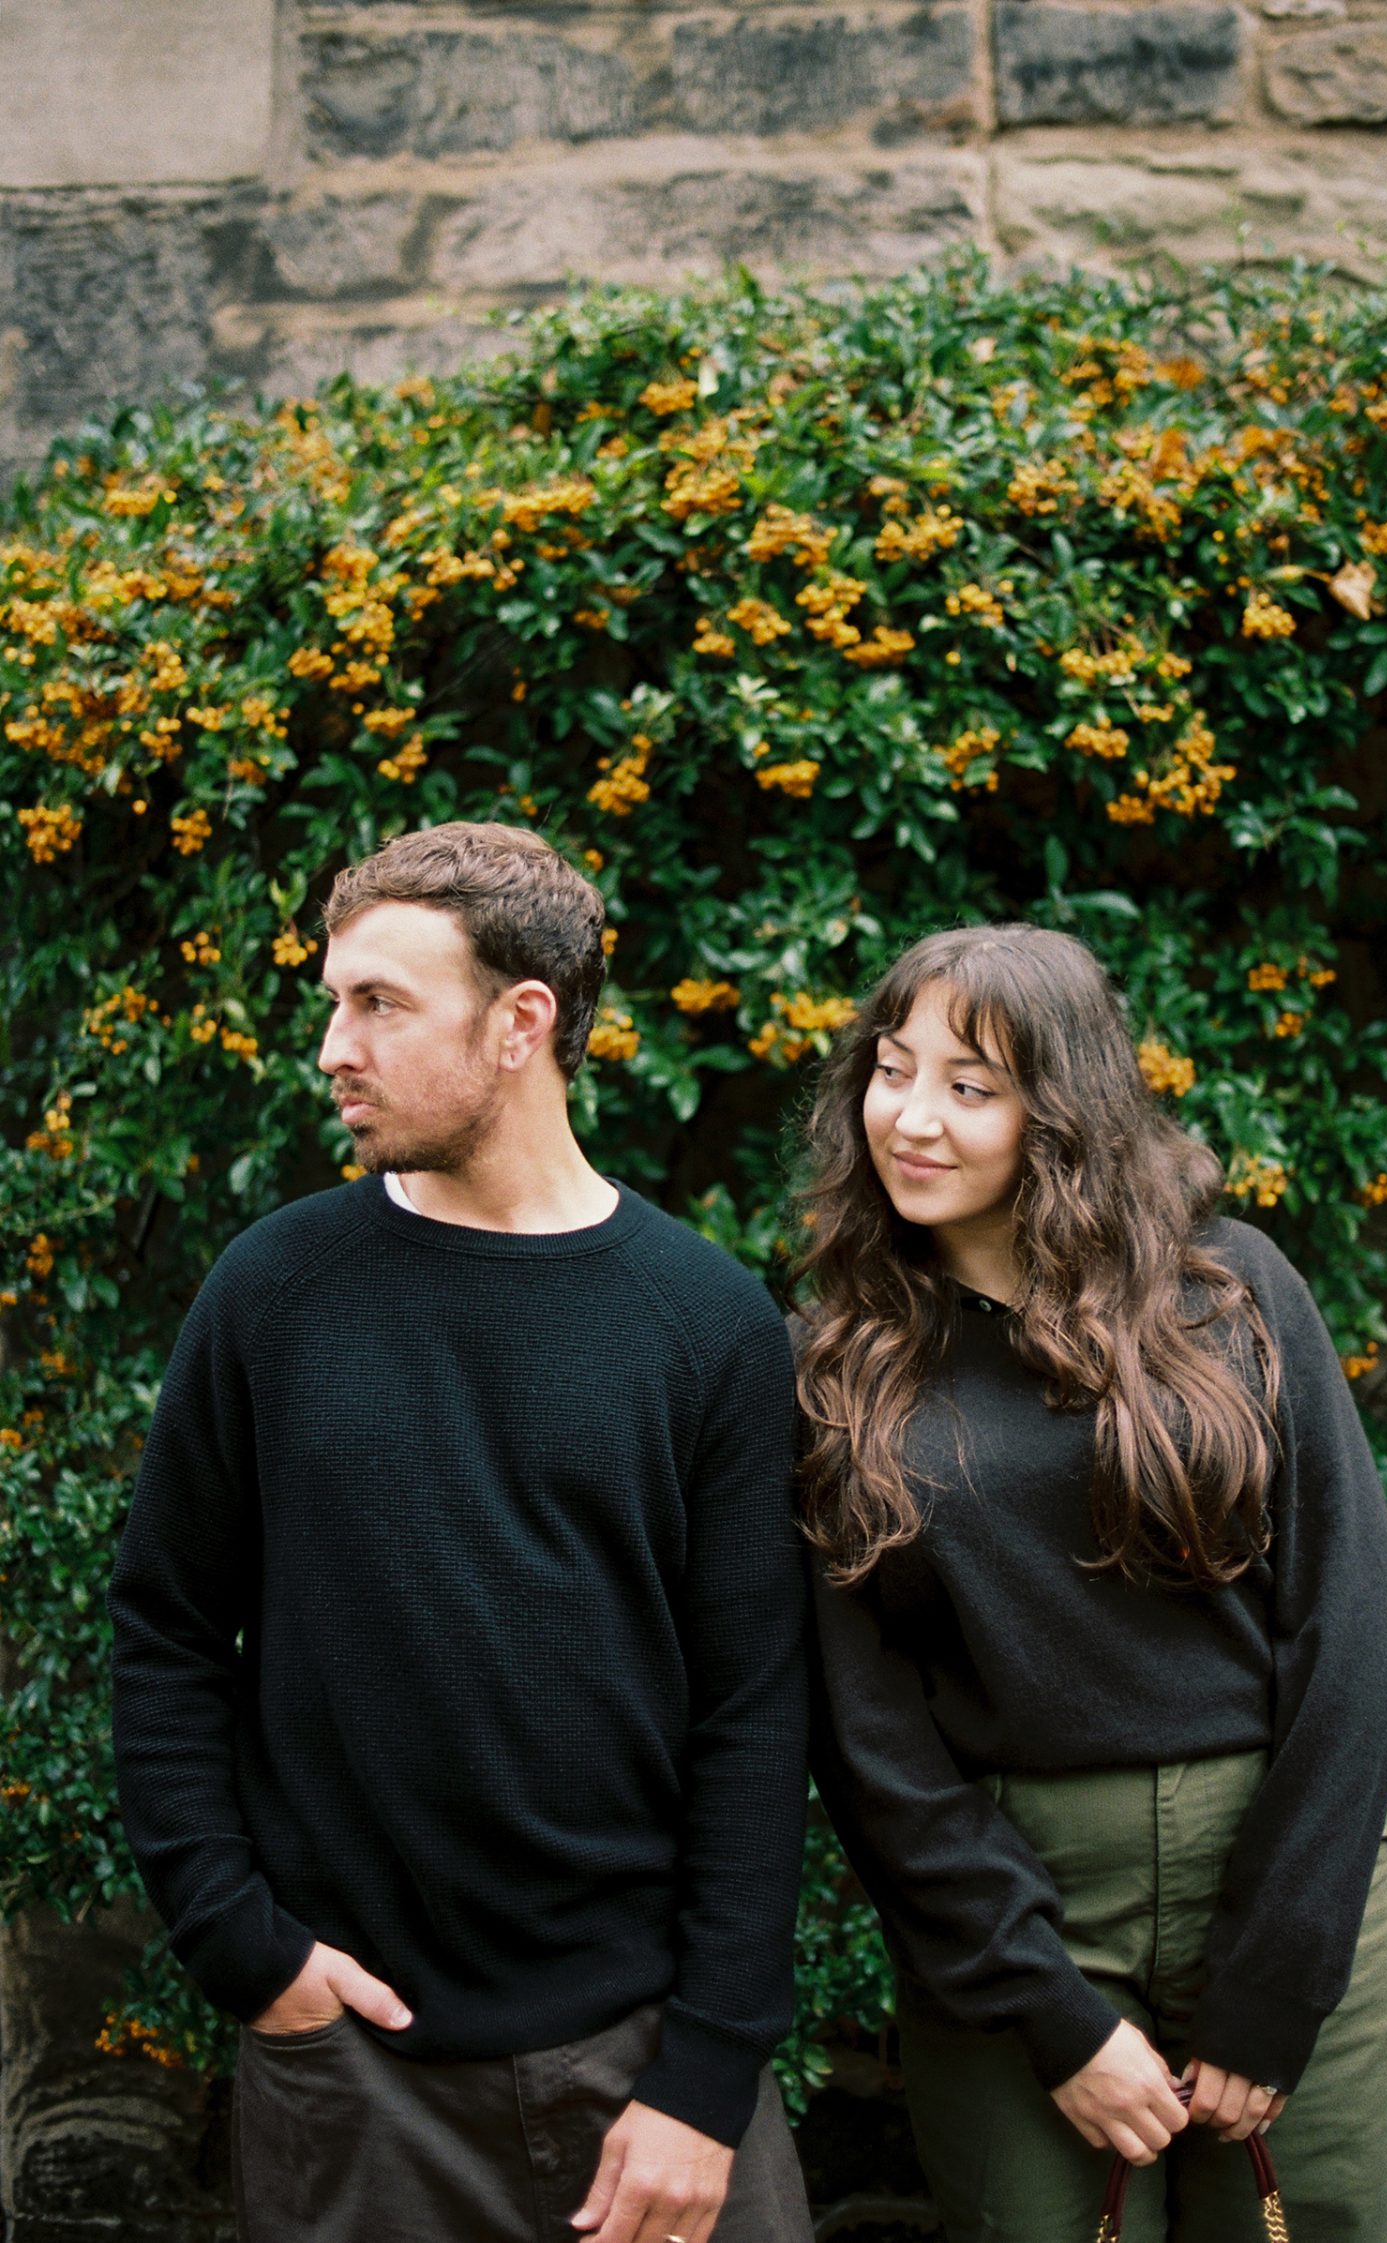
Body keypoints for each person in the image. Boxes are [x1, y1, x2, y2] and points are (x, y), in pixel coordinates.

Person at [109, 821, 814, 2243]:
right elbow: (166, 1632)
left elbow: (756, 1715)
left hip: (651, 2074)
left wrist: (707, 2075)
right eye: (332, 1002)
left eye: (379, 1002)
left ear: (520, 1024)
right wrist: (248, 1952)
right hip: (350, 2075)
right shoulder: (274, 1294)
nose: (332, 1048)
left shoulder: (708, 1322)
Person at [790, 923, 1387, 2243]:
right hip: (1016, 1909)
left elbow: (1352, 1626)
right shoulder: (837, 1368)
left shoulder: (1231, 1291)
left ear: (1061, 1113)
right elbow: (866, 1728)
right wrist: (1049, 2010)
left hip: (1295, 1876)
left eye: (971, 1086)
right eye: (892, 1071)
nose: (910, 1118)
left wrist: (1279, 1977)